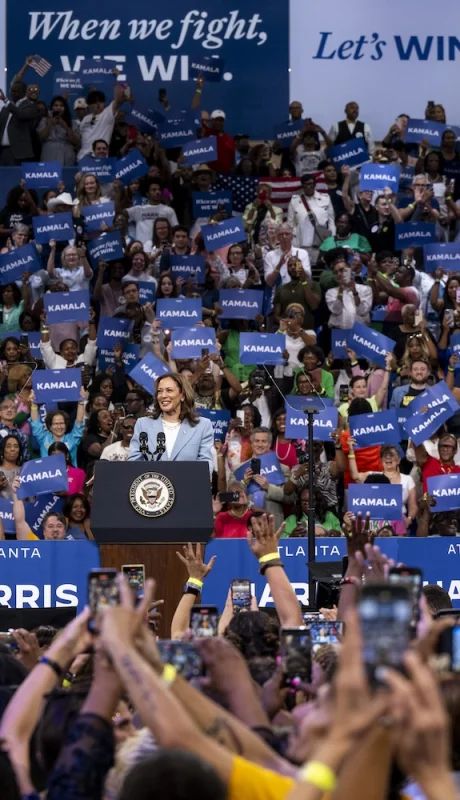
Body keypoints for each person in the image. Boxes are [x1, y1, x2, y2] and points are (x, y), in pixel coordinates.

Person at [129, 374, 214, 475]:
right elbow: (133, 464)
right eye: (160, 391)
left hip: (187, 487)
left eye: (169, 390)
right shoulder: (143, 424)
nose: (163, 395)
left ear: (182, 395)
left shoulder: (202, 426)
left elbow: (206, 467)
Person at [348, 444, 418, 535]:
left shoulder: (407, 479)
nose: (388, 458)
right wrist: (351, 451)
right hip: (374, 521)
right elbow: (355, 476)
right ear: (381, 460)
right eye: (385, 456)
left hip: (399, 521)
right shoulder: (374, 476)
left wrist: (409, 519)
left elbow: (413, 505)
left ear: (398, 460)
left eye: (391, 455)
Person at [12, 477, 87, 540]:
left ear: (65, 531)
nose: (55, 529)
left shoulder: (73, 548)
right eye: (50, 526)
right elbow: (20, 523)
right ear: (44, 531)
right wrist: (16, 494)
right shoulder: (36, 545)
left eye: (59, 526)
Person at [29, 388, 86, 465]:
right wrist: (34, 403)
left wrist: (81, 401)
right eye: (55, 424)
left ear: (66, 425)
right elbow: (36, 423)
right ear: (50, 426)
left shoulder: (73, 439)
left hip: (69, 475)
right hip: (49, 474)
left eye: (61, 423)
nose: (59, 426)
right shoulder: (43, 438)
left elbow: (79, 421)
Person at [287, 173, 336, 263]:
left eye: (311, 184)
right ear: (302, 186)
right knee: (302, 269)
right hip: (300, 243)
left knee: (320, 267)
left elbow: (331, 222)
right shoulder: (295, 201)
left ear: (314, 185)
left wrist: (332, 241)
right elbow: (290, 224)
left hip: (321, 242)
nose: (309, 187)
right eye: (306, 184)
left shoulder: (325, 198)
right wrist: (292, 244)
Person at [77, 85, 127, 160]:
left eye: (101, 101)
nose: (98, 104)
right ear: (90, 105)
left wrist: (118, 79)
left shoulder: (107, 114)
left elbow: (118, 100)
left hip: (99, 157)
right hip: (82, 158)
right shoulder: (85, 119)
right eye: (95, 102)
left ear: (104, 103)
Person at [273, 256, 321, 331]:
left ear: (301, 267)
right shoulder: (280, 289)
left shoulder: (313, 285)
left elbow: (314, 306)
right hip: (287, 334)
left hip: (307, 333)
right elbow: (275, 316)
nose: (292, 267)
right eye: (290, 265)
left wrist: (304, 281)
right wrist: (289, 324)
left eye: (295, 265)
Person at [325, 257, 373, 329]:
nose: (339, 274)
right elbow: (336, 310)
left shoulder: (365, 289)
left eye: (341, 270)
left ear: (349, 270)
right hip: (338, 332)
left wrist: (355, 292)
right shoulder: (331, 292)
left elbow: (362, 311)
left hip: (360, 333)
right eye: (336, 272)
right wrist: (341, 290)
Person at [126, 180, 178, 245]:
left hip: (161, 248)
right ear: (147, 194)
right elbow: (119, 214)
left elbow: (175, 229)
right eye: (154, 190)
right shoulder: (138, 209)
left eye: (159, 190)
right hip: (141, 249)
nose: (157, 192)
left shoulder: (169, 210)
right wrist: (118, 191)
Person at [0, 81, 39, 165]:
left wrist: (6, 101)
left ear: (24, 92)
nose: (13, 93)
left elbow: (21, 115)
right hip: (3, 151)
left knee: (16, 177)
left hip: (19, 153)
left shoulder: (30, 106)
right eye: (12, 91)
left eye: (16, 91)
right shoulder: (5, 108)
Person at [263, 223, 311, 288]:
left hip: (299, 292)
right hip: (278, 293)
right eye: (281, 234)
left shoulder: (302, 253)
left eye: (287, 234)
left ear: (292, 236)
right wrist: (279, 265)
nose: (284, 236)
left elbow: (307, 278)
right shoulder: (270, 255)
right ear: (277, 237)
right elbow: (269, 283)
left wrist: (298, 265)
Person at [37, 95, 80, 165]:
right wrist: (50, 124)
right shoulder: (44, 120)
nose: (58, 107)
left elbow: (77, 142)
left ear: (65, 108)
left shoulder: (72, 122)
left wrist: (65, 126)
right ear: (52, 108)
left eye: (61, 105)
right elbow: (41, 137)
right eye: (56, 105)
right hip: (49, 152)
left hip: (66, 152)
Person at [0, 434, 25, 500]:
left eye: (16, 446)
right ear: (3, 450)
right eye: (8, 446)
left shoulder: (24, 471)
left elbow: (31, 499)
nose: (12, 449)